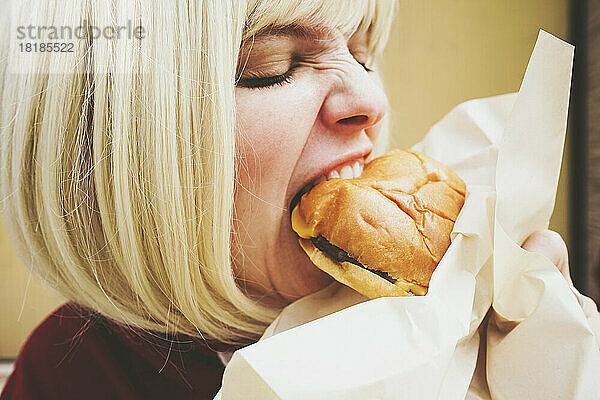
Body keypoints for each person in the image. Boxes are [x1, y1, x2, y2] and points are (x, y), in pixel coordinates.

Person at [0, 0, 597, 399]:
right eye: (272, 65)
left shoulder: (443, 323)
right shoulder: (63, 374)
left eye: (363, 54)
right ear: (119, 147)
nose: (370, 99)